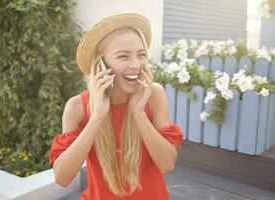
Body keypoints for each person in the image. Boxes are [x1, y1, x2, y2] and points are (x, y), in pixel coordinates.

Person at [49, 13, 183, 200]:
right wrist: (96, 117)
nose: (136, 65)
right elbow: (62, 178)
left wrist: (138, 113)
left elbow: (167, 163)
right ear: (101, 65)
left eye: (141, 55)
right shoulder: (76, 107)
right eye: (123, 56)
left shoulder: (154, 94)